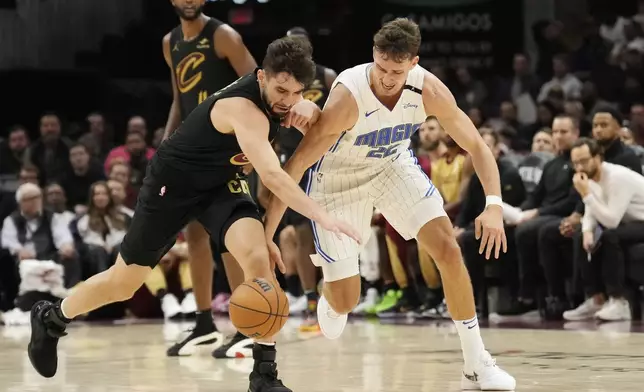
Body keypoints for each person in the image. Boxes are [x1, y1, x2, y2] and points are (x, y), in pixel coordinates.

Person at [26, 37, 360, 392]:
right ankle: (52, 318)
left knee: (259, 260)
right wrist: (322, 217)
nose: (287, 101)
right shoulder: (243, 109)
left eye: (296, 94)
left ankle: (264, 376)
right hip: (173, 184)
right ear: (261, 77)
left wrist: (311, 109)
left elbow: (303, 116)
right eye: (281, 90)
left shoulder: (284, 102)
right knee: (124, 282)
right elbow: (274, 176)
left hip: (222, 185)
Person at [263, 19, 515, 390]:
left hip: (392, 166)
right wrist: (267, 235)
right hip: (338, 180)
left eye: (397, 71)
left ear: (413, 62)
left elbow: (477, 145)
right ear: (374, 56)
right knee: (348, 300)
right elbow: (295, 165)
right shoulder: (348, 97)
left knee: (448, 248)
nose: (387, 78)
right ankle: (330, 295)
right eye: (381, 67)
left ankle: (476, 363)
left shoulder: (429, 90)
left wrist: (493, 204)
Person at [162, 0, 258, 357]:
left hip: (225, 149)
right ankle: (204, 323)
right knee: (196, 235)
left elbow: (258, 86)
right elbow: (179, 99)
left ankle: (247, 325)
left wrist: (254, 145)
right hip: (191, 149)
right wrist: (166, 144)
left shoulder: (223, 36)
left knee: (227, 234)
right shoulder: (169, 42)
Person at [278, 26, 337, 330]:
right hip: (293, 164)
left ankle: (335, 295)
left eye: (302, 45)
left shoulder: (327, 77)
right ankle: (311, 298)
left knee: (330, 230)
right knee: (301, 234)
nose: (298, 50)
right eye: (292, 46)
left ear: (310, 49)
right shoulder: (281, 84)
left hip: (326, 160)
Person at [564, 138, 644, 321]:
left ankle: (619, 301)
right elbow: (592, 209)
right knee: (581, 236)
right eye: (575, 163)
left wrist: (585, 194)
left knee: (610, 236)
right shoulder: (590, 178)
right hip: (630, 222)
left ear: (598, 157)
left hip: (637, 221)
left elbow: (611, 221)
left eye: (584, 161)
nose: (580, 167)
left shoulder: (617, 178)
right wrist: (586, 232)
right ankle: (596, 299)